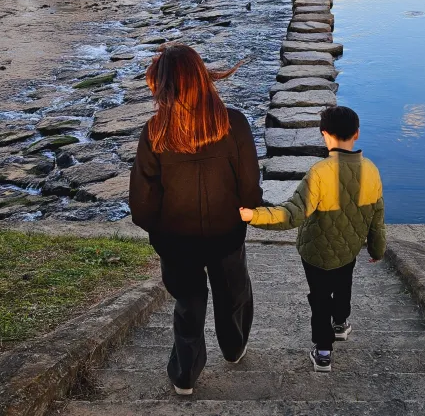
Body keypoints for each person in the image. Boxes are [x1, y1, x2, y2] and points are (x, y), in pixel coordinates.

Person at [129, 43, 262, 395]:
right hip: (226, 231)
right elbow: (250, 184)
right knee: (233, 291)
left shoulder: (156, 131)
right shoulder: (233, 123)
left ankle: (185, 374)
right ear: (202, 77)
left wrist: (158, 230)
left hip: (176, 237)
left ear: (165, 85)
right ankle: (233, 347)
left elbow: (141, 201)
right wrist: (243, 214)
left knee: (188, 302)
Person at [239, 105, 386, 372]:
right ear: (357, 134)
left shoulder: (319, 172)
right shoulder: (372, 170)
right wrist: (377, 249)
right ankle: (340, 324)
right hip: (349, 248)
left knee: (319, 299)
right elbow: (377, 217)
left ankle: (323, 352)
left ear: (324, 135)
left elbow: (292, 214)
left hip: (316, 252)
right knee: (343, 286)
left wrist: (254, 215)